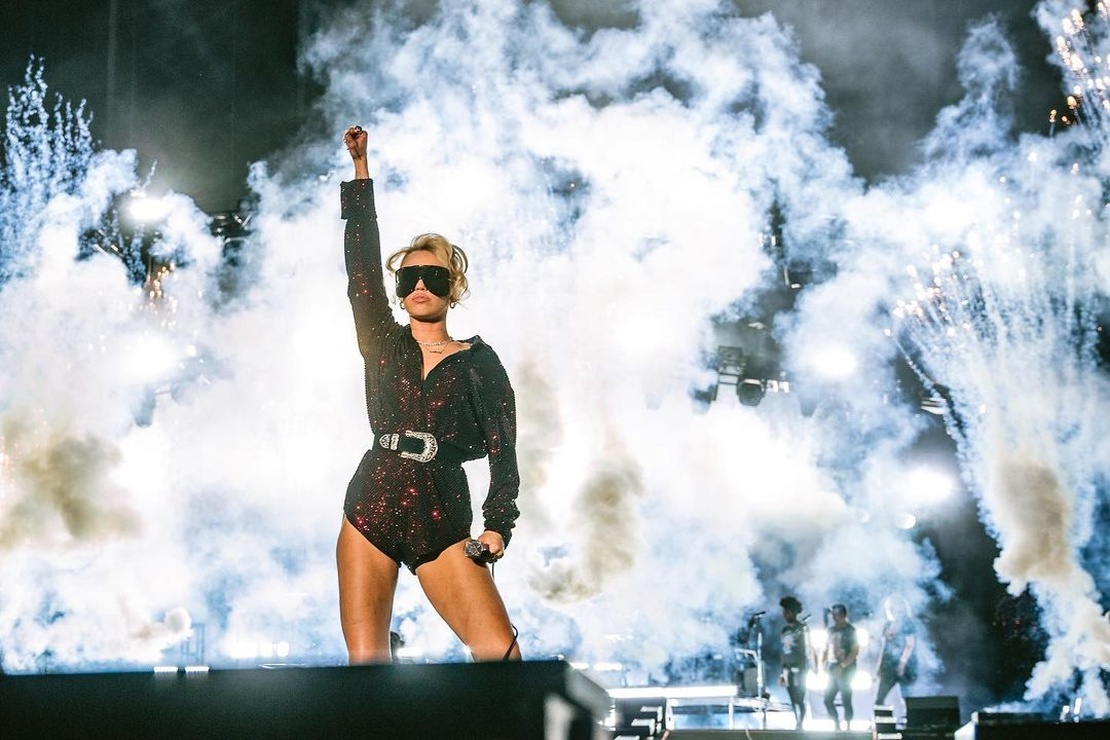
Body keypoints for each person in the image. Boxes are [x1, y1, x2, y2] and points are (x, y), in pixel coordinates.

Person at [335, 125, 522, 664]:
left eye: (434, 277)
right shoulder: (382, 341)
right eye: (409, 277)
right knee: (366, 668)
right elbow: (360, 269)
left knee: (500, 656)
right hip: (371, 501)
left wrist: (498, 524)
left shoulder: (479, 361)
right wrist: (361, 173)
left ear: (453, 288)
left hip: (441, 510)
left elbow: (503, 449)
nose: (420, 285)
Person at [874, 595, 918, 708]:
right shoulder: (887, 624)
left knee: (906, 697)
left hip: (905, 665)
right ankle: (881, 718)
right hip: (888, 665)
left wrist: (902, 664)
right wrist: (879, 666)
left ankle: (908, 717)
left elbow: (909, 645)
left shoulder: (907, 623)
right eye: (892, 608)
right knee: (879, 699)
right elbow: (883, 647)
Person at [822, 603, 859, 731]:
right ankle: (836, 724)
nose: (833, 617)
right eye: (832, 614)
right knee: (828, 699)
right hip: (832, 667)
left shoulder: (851, 630)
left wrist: (843, 665)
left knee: (846, 697)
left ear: (843, 615)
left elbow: (855, 651)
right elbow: (825, 648)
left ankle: (848, 726)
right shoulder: (830, 630)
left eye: (836, 614)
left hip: (847, 669)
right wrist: (822, 664)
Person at [778, 596, 811, 730]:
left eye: (787, 612)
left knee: (799, 697)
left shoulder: (802, 628)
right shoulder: (784, 630)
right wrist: (782, 672)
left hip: (800, 666)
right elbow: (783, 651)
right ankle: (797, 722)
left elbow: (809, 648)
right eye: (784, 612)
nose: (785, 615)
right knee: (792, 697)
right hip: (787, 667)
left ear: (793, 612)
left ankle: (800, 723)